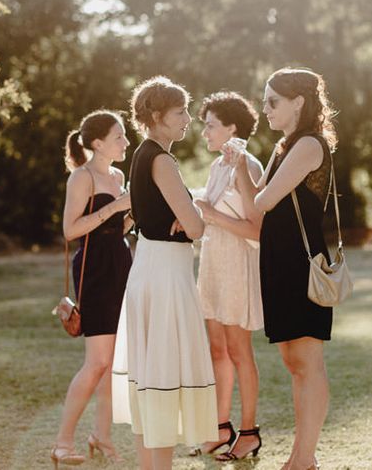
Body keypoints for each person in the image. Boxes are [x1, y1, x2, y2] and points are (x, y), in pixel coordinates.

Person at [234, 68, 337, 470]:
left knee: (308, 362)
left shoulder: (310, 145)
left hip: (302, 262)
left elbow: (264, 201)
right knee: (292, 362)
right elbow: (253, 206)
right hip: (277, 260)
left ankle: (304, 458)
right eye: (264, 101)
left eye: (272, 101)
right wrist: (241, 165)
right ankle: (300, 456)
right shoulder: (283, 147)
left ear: (299, 102)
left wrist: (250, 178)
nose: (265, 109)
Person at [124, 76, 217, 470]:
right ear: (158, 116)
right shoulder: (161, 159)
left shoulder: (143, 155)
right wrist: (192, 213)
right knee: (163, 376)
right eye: (180, 113)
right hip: (164, 275)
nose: (188, 119)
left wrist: (187, 212)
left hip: (151, 267)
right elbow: (195, 228)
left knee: (153, 379)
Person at [51, 111, 133, 467]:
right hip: (96, 269)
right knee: (97, 361)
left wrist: (132, 215)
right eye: (119, 136)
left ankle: (101, 436)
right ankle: (61, 442)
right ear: (98, 143)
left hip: (122, 263)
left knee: (113, 362)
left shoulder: (117, 174)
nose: (126, 142)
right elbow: (71, 230)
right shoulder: (81, 178)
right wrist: (117, 206)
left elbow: (119, 227)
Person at [192, 92, 264, 460]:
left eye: (210, 125)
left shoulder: (247, 166)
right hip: (213, 263)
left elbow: (257, 229)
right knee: (216, 349)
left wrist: (210, 214)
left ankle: (249, 433)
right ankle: (221, 428)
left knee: (239, 350)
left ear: (232, 128)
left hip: (237, 265)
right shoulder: (218, 166)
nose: (204, 132)